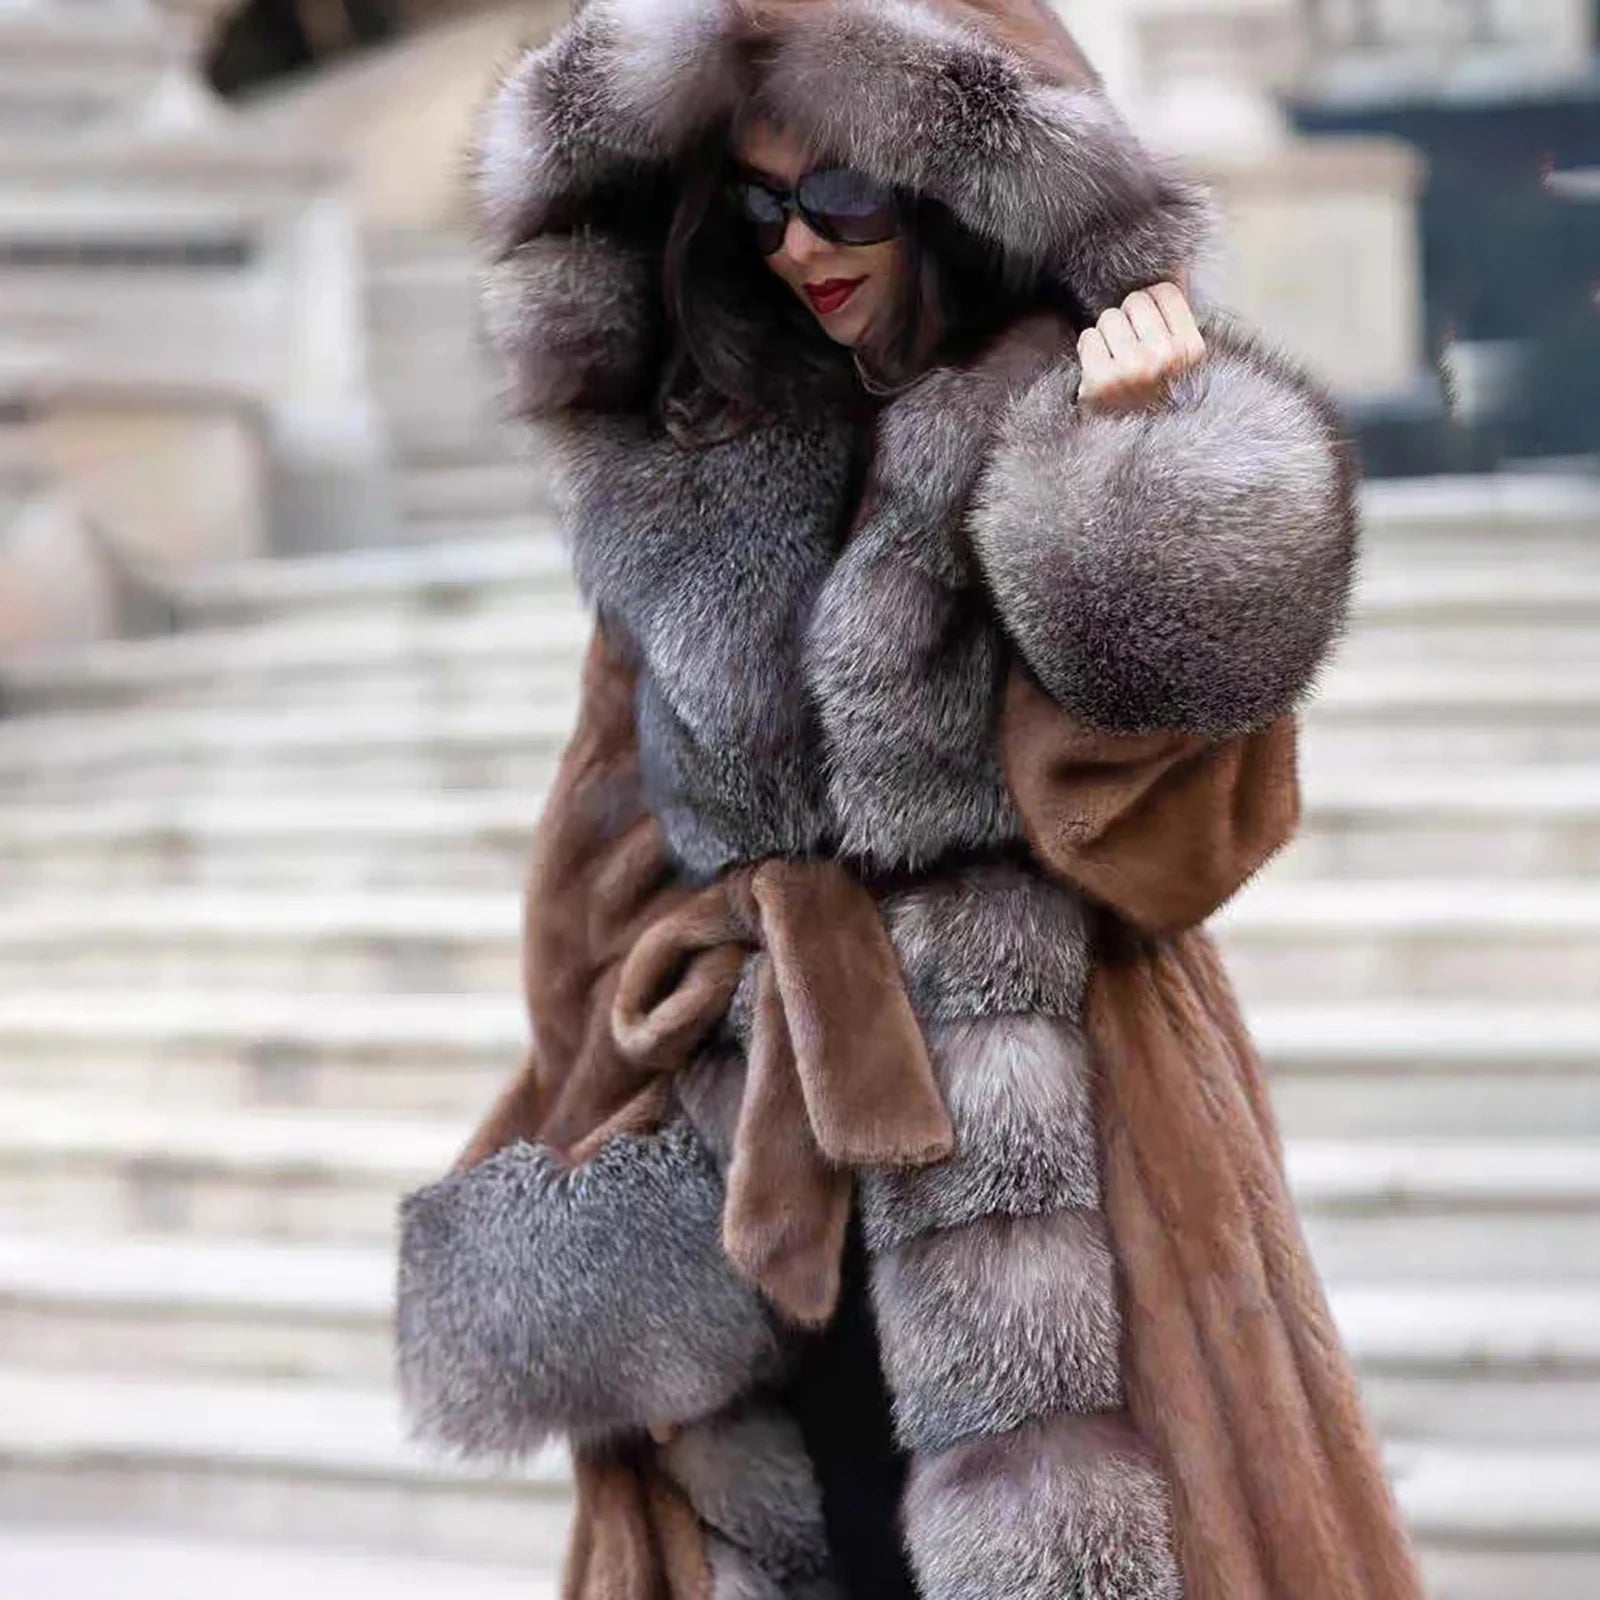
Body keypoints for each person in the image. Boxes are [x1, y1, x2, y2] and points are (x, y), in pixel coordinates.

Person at [396, 1, 1426, 1597]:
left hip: (1061, 1168)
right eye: (757, 203)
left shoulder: (1058, 424)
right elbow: (598, 872)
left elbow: (1172, 849)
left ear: (949, 189)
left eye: (845, 197)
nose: (801, 244)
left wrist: (1140, 492)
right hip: (760, 1184)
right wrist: (598, 1141)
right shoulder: (695, 452)